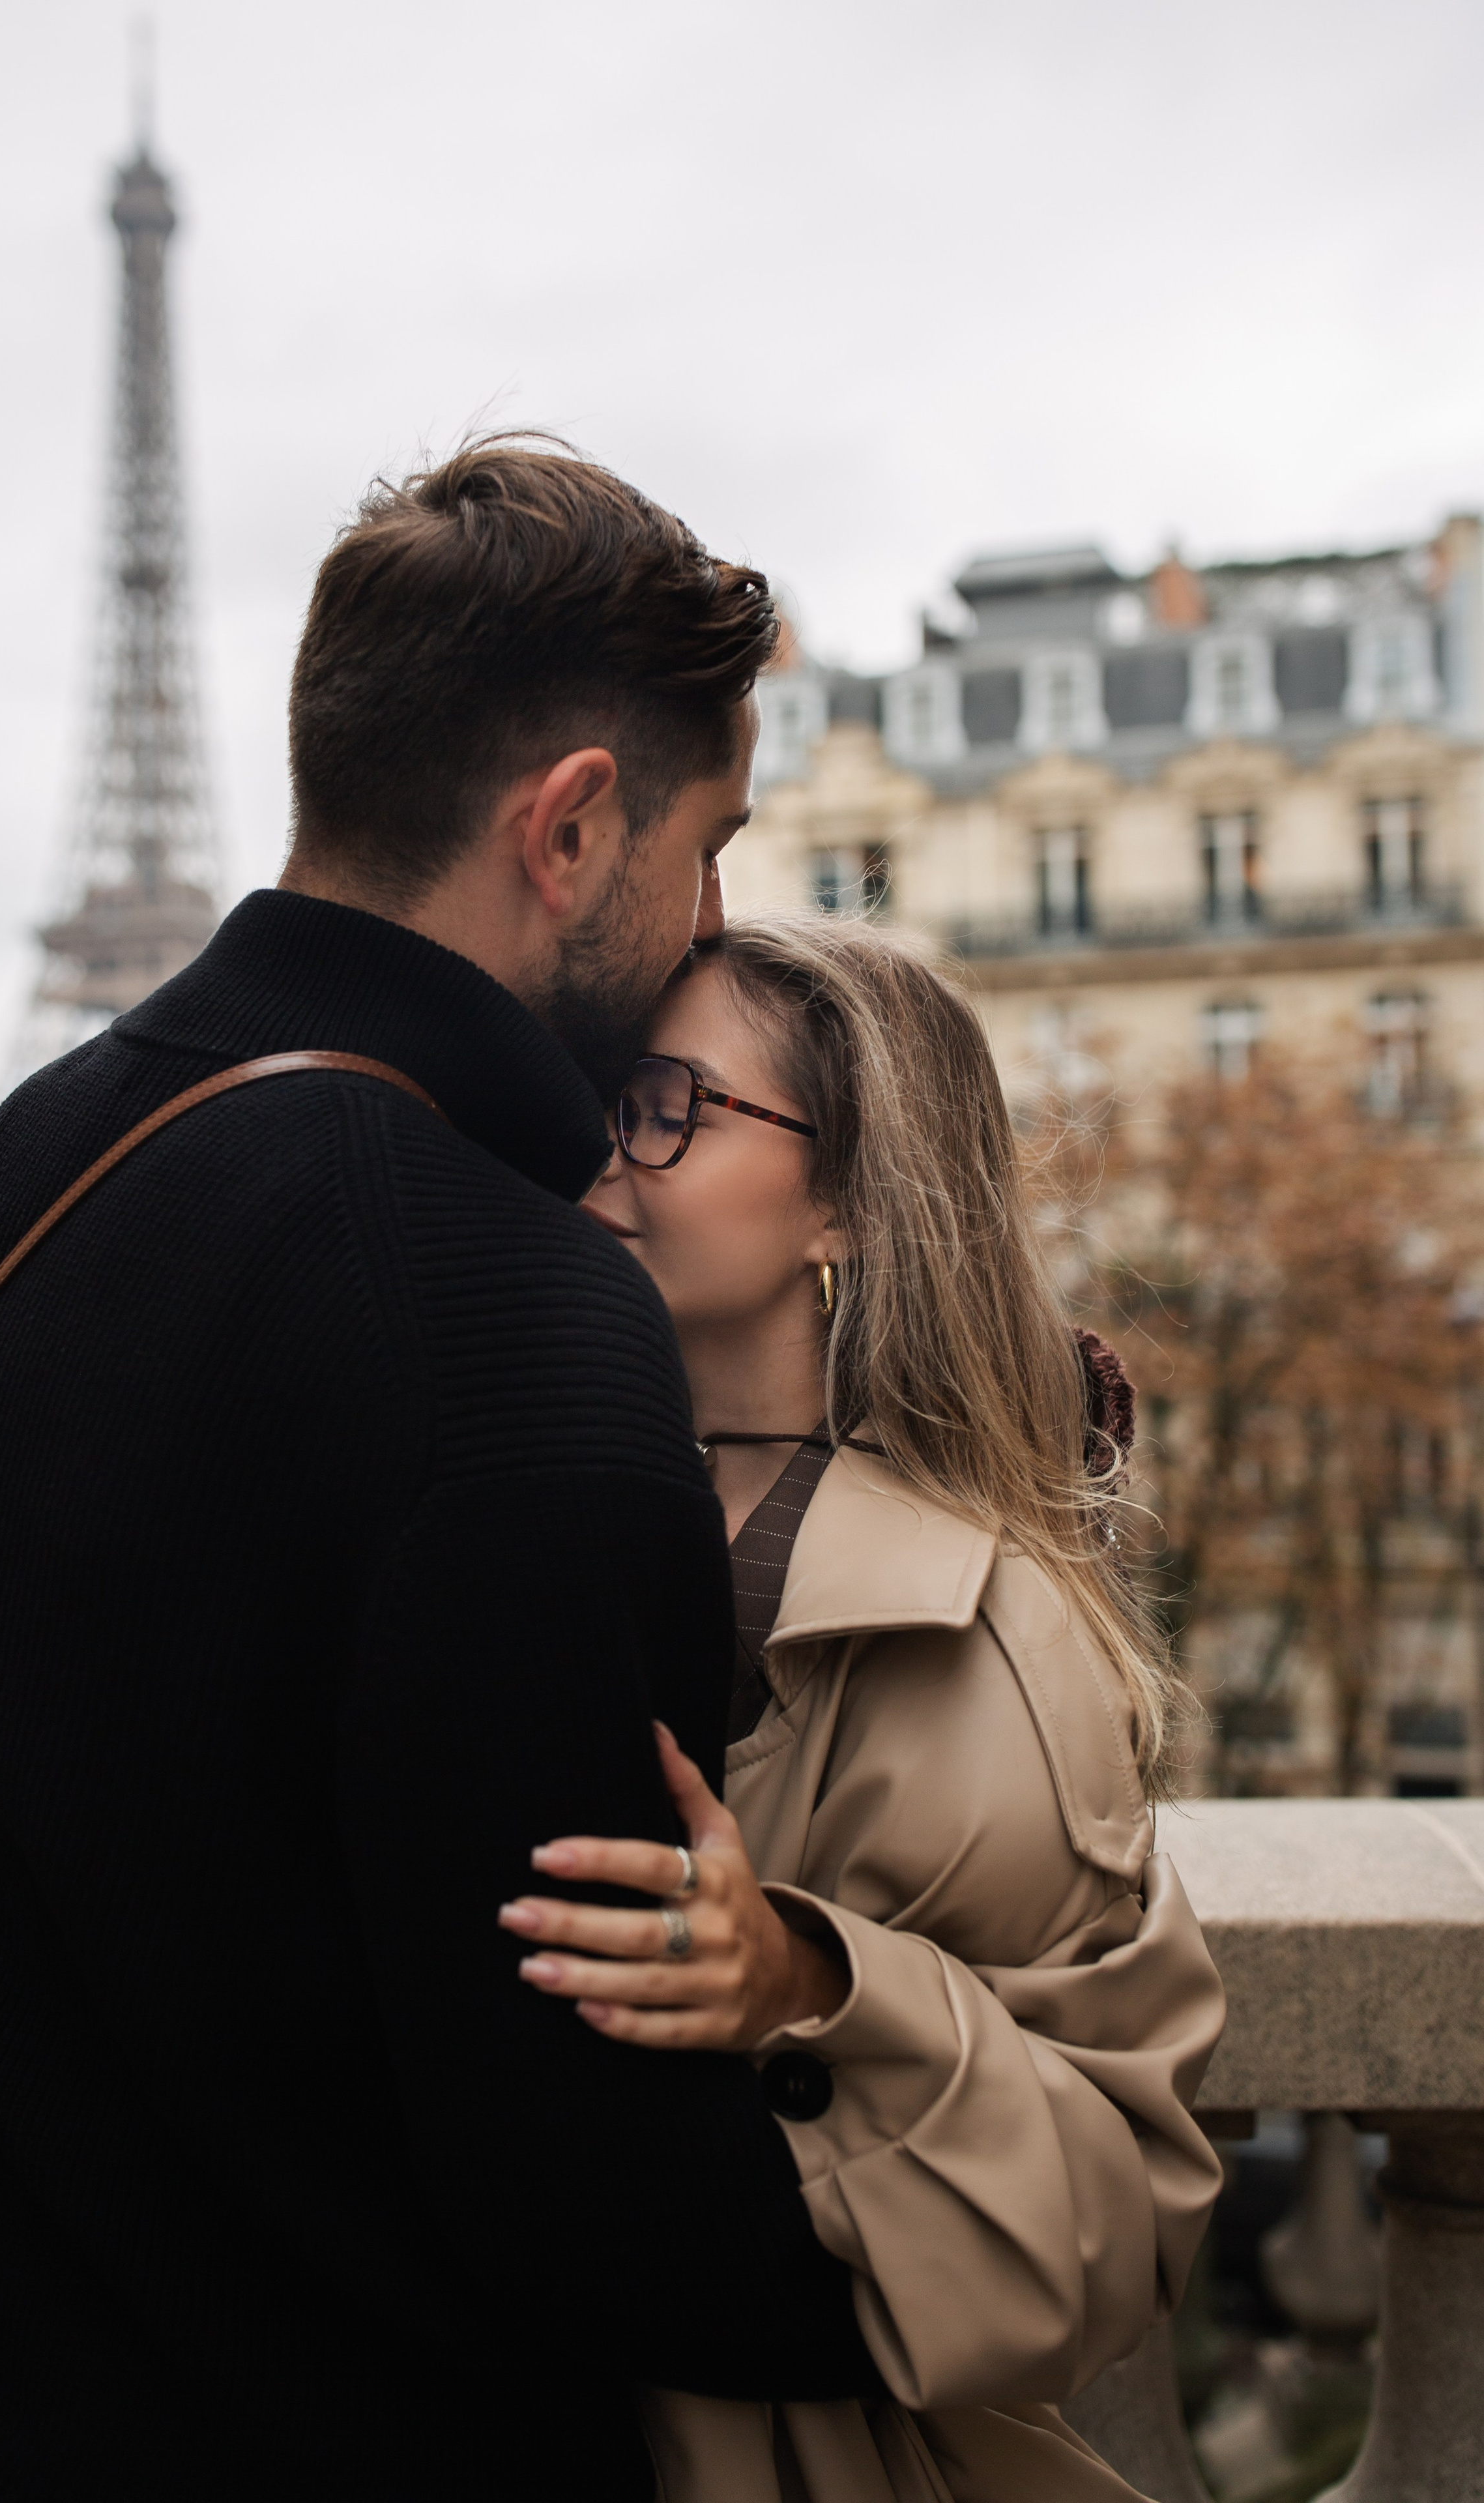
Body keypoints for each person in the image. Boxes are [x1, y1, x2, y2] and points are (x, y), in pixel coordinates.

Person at [0, 449, 883, 2502]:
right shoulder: (517, 1333)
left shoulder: (28, 1160)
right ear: (570, 829)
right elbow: (586, 2173)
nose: (717, 919)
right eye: (710, 844)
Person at [497, 913, 1227, 2502]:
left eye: (668, 1105)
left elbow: (1111, 2219)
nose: (604, 1150)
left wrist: (809, 1982)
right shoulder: (535, 1486)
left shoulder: (990, 1638)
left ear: (838, 1197)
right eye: (598, 1095)